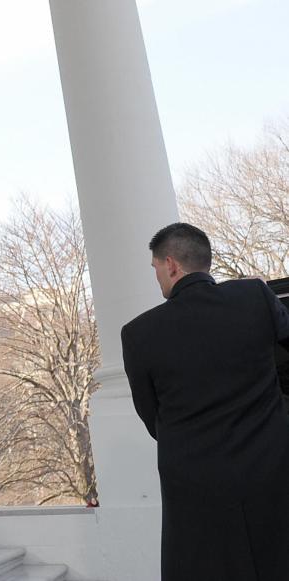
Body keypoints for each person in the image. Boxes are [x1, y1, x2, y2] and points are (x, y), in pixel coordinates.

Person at [121, 222, 289, 580]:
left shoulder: (138, 334)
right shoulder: (254, 297)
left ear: (171, 265)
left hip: (195, 488)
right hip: (270, 468)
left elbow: (152, 419)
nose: (158, 278)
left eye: (155, 269)